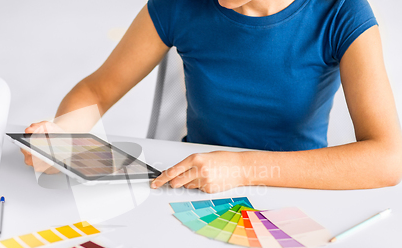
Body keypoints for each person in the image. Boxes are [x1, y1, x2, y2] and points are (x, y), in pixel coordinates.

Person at [23, 0, 402, 193]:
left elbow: (388, 159)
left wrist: (243, 168)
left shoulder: (342, 12)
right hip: (193, 186)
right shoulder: (178, 6)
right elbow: (97, 90)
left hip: (296, 187)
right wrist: (65, 140)